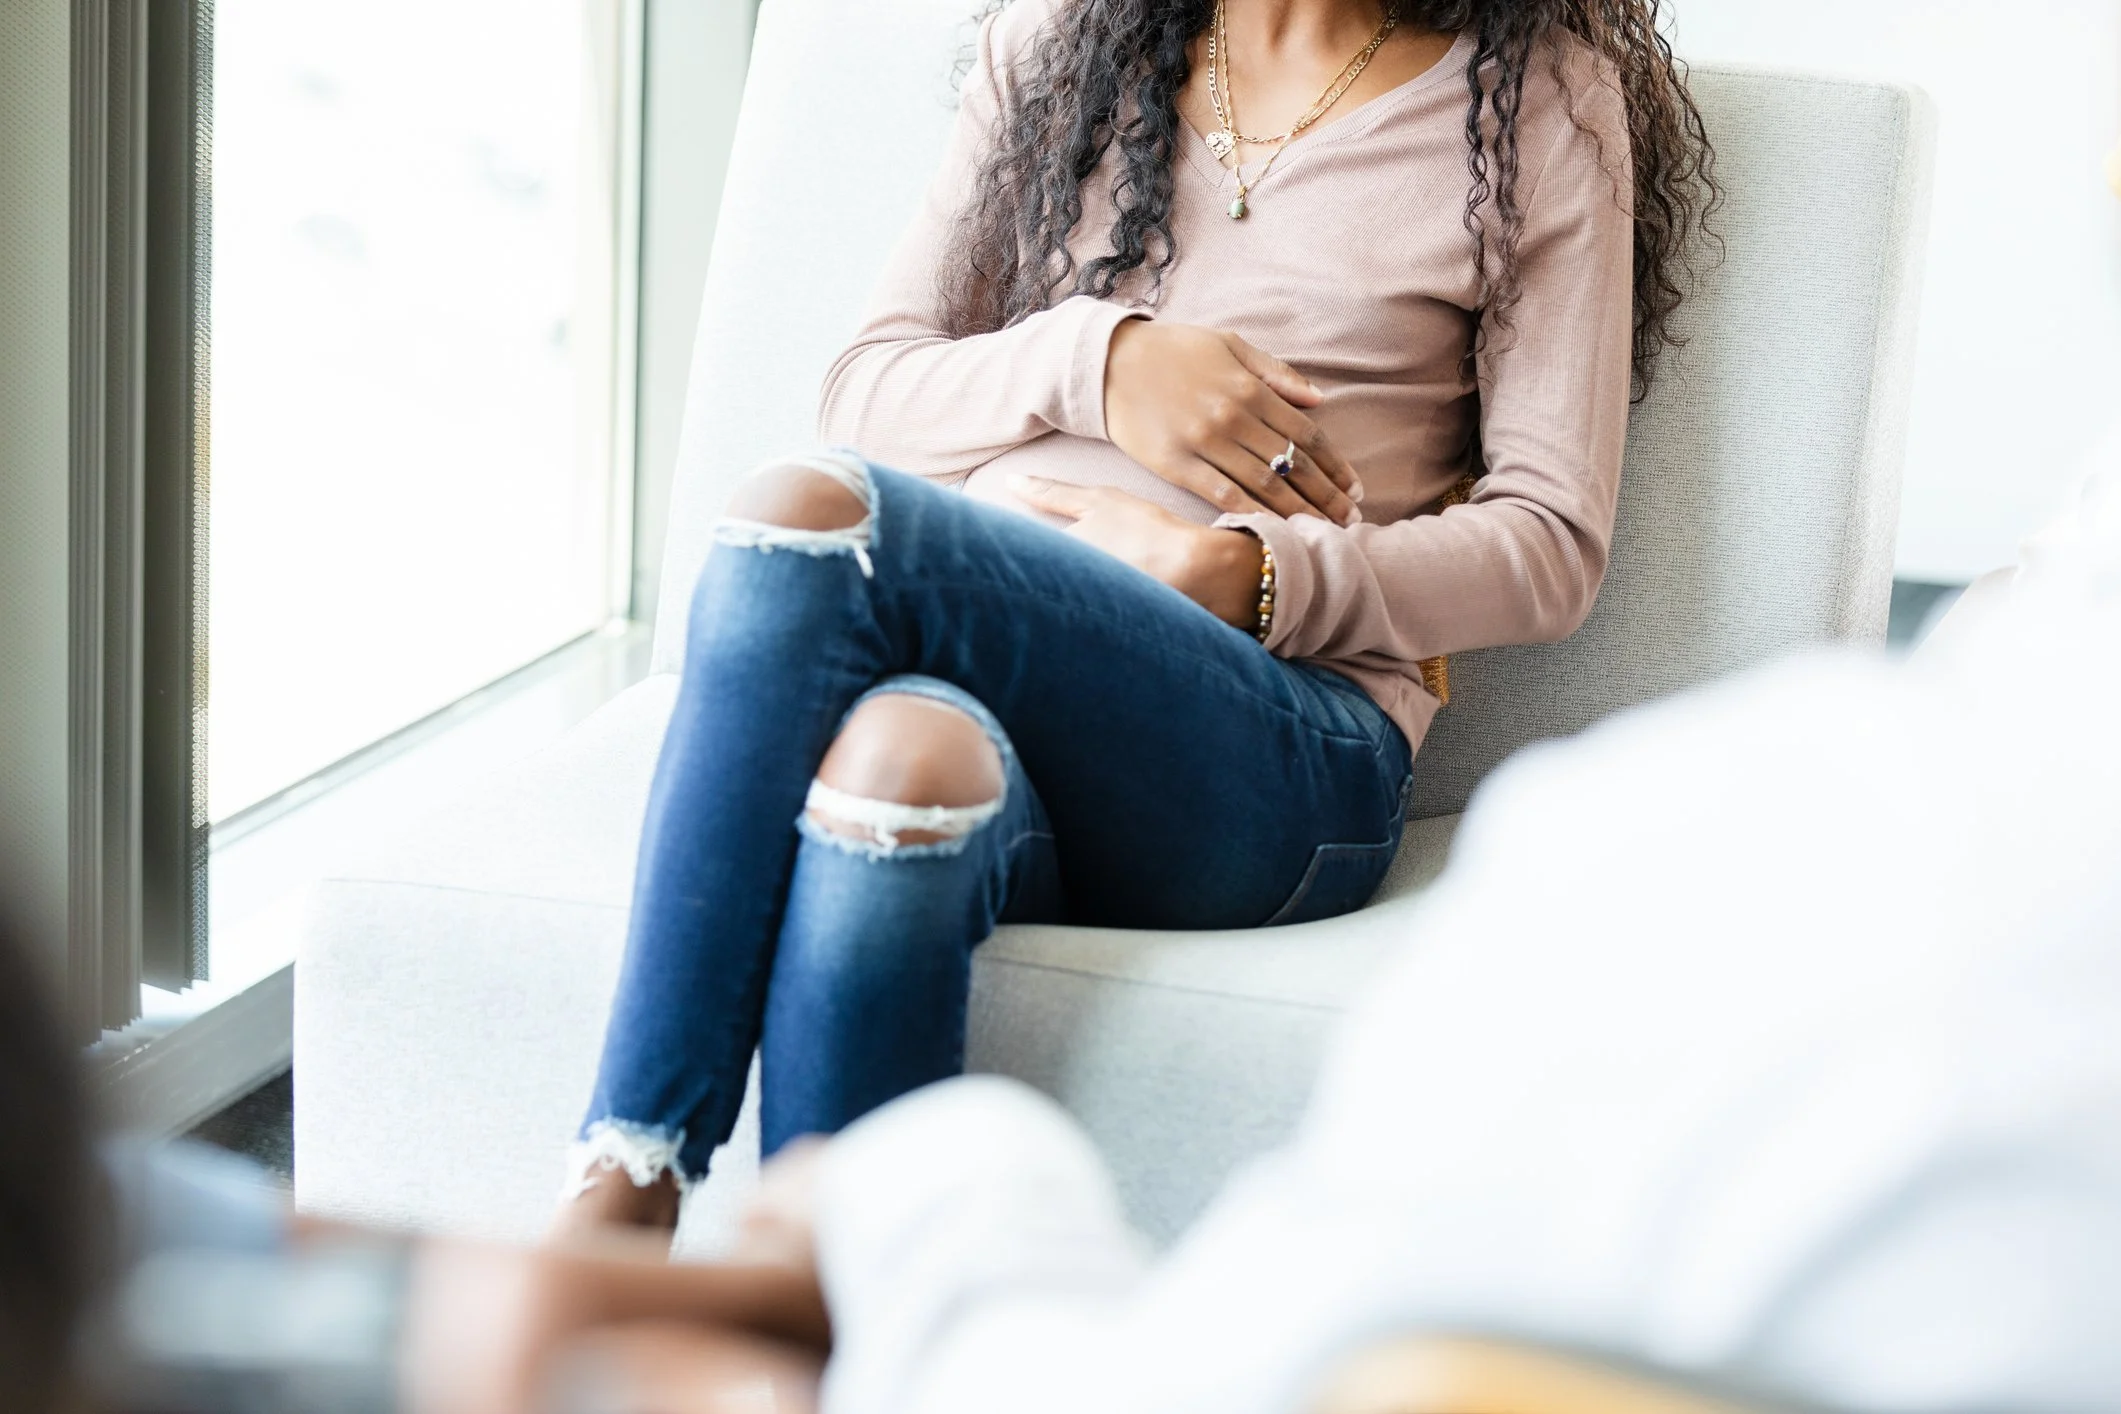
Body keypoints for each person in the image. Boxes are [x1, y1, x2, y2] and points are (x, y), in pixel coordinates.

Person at [561, 0, 1718, 1233]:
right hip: (1009, 701)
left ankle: (617, 1210)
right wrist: (1097, 365)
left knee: (809, 517)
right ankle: (833, 1325)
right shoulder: (1065, 43)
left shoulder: (1537, 100)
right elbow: (869, 387)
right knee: (901, 765)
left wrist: (1248, 574)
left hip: (1289, 749)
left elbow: (1551, 544)